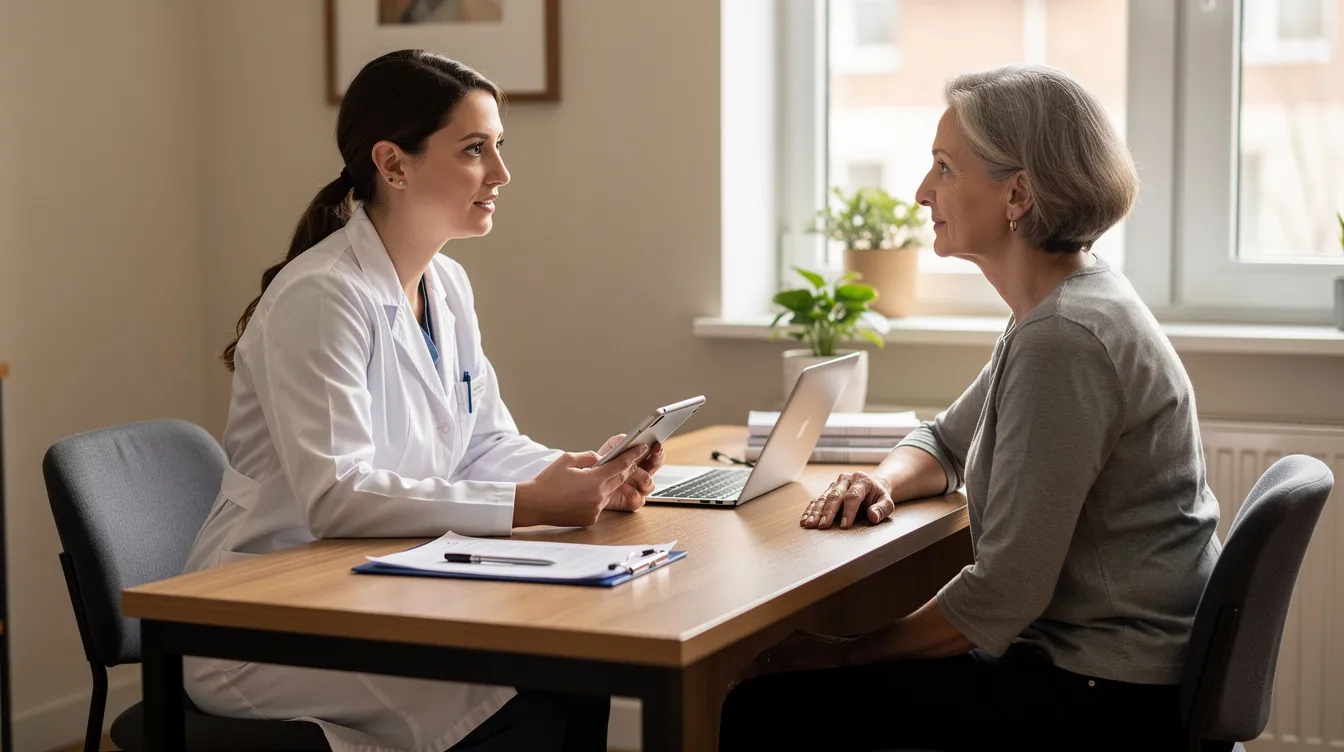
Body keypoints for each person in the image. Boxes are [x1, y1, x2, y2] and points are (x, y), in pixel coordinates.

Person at [719, 64, 1221, 752]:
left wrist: (848, 650)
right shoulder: (1060, 308)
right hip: (1102, 670)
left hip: (1103, 696)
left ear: (1017, 194)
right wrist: (882, 480)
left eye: (944, 168)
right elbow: (944, 439)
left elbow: (1003, 595)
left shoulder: (1064, 338)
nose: (923, 191)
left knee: (764, 706)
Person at [183, 50, 662, 752]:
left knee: (574, 673)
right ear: (394, 163)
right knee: (521, 698)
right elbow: (336, 496)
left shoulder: (447, 285)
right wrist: (534, 504)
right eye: (474, 150)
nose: (500, 174)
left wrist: (588, 474)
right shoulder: (322, 298)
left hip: (375, 593)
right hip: (266, 619)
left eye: (498, 148)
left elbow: (481, 443)